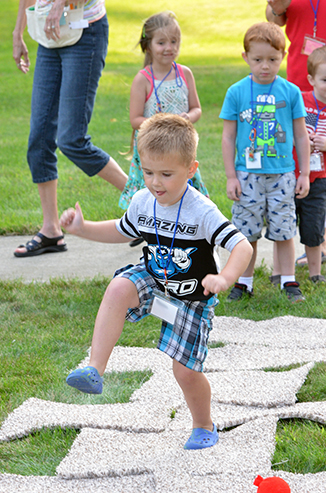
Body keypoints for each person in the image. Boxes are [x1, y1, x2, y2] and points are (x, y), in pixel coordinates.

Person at [60, 113, 253, 450]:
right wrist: (82, 228)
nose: (155, 183)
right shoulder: (142, 201)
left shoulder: (202, 211)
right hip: (154, 279)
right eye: (148, 172)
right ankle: (94, 368)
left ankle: (204, 425)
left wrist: (226, 277)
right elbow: (122, 231)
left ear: (191, 170)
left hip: (193, 298)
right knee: (120, 286)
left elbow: (242, 245)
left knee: (185, 372)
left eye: (166, 174)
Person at [12, 0, 128, 257]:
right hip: (48, 35)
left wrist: (61, 3)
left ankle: (144, 199)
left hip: (85, 30)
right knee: (39, 139)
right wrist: (18, 32)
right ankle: (51, 230)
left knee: (71, 140)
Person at [219, 22, 310, 302]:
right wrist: (231, 176)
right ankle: (244, 282)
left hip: (282, 174)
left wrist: (304, 173)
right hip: (247, 175)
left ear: (283, 56)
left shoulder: (291, 92)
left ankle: (288, 280)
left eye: (272, 59)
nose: (265, 66)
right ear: (246, 57)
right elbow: (228, 137)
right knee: (247, 232)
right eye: (258, 60)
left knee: (284, 230)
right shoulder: (236, 92)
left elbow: (301, 134)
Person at [118, 11, 208, 218]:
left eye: (174, 41)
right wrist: (163, 123)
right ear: (147, 45)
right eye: (161, 43)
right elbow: (135, 119)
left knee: (183, 191)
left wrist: (188, 118)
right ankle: (145, 225)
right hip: (152, 149)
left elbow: (197, 108)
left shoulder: (185, 74)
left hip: (179, 147)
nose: (169, 48)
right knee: (153, 193)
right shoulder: (143, 79)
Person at [266, 0, 326, 268]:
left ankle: (320, 242)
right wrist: (277, 7)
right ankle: (312, 243)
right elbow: (274, 20)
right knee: (307, 155)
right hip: (301, 79)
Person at [293, 46, 326, 282]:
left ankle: (316, 274)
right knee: (284, 227)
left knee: (314, 228)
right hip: (292, 174)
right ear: (311, 79)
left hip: (319, 179)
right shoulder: (302, 101)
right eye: (325, 79)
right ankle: (282, 273)